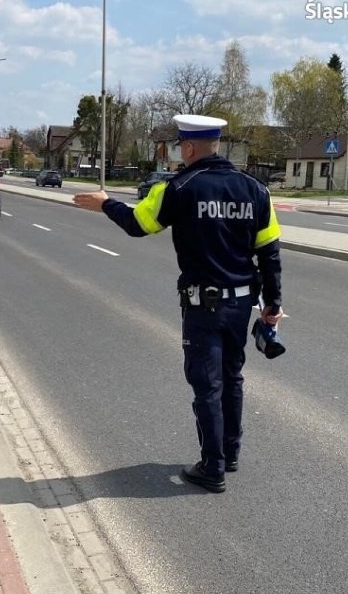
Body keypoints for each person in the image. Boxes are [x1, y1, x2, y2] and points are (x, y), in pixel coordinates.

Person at [73, 114, 284, 493]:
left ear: (188, 148)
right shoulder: (256, 190)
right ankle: (230, 454)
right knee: (233, 377)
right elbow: (269, 251)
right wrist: (273, 304)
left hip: (203, 306)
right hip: (241, 305)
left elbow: (139, 224)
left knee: (208, 386)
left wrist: (106, 204)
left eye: (178, 147)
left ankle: (212, 468)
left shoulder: (181, 187)